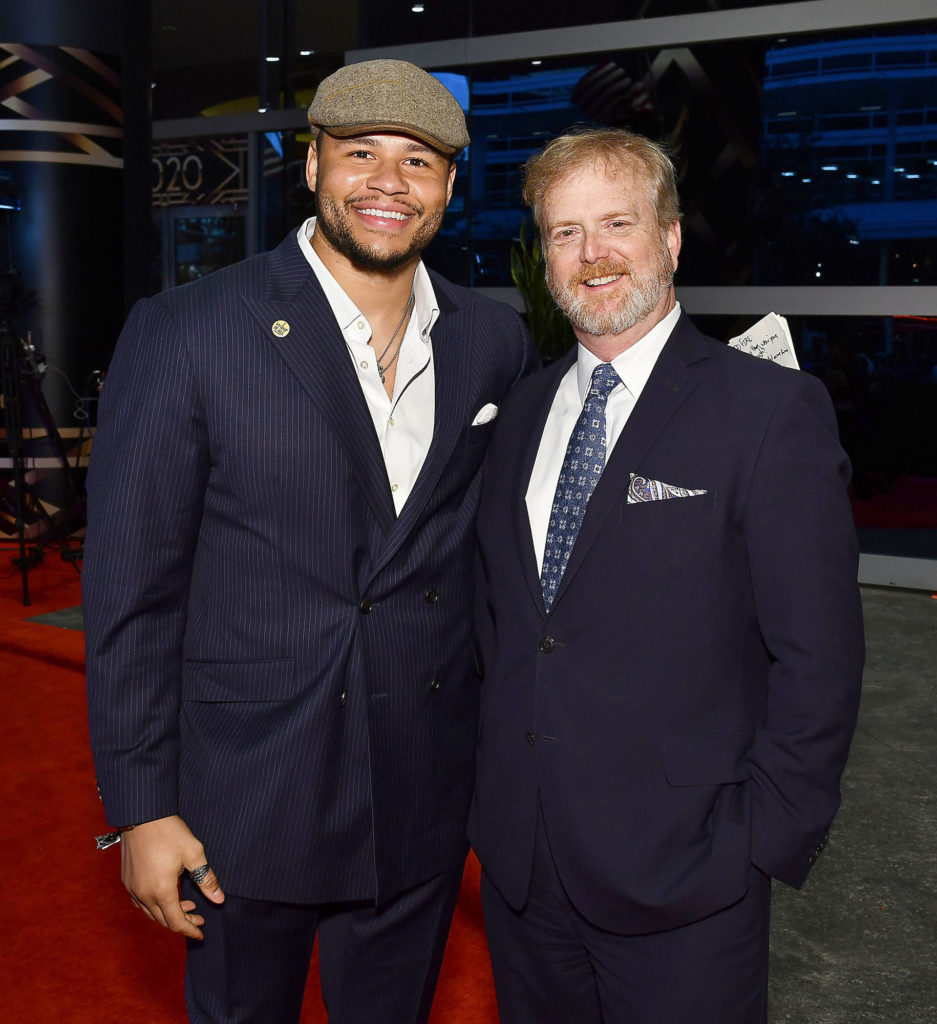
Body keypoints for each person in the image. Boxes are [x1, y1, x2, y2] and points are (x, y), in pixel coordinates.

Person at [84, 59, 536, 1024]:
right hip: (245, 794)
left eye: (417, 161)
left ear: (449, 188)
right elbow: (132, 590)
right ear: (312, 164)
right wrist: (141, 808)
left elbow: (488, 564)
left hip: (420, 791)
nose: (387, 182)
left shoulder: (491, 343)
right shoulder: (188, 331)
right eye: (359, 152)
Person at [468, 128, 864, 1023]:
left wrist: (761, 840)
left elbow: (819, 655)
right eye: (564, 232)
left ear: (671, 238)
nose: (591, 254)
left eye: (616, 223)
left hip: (689, 873)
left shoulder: (766, 411)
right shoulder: (521, 410)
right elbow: (506, 624)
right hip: (524, 865)